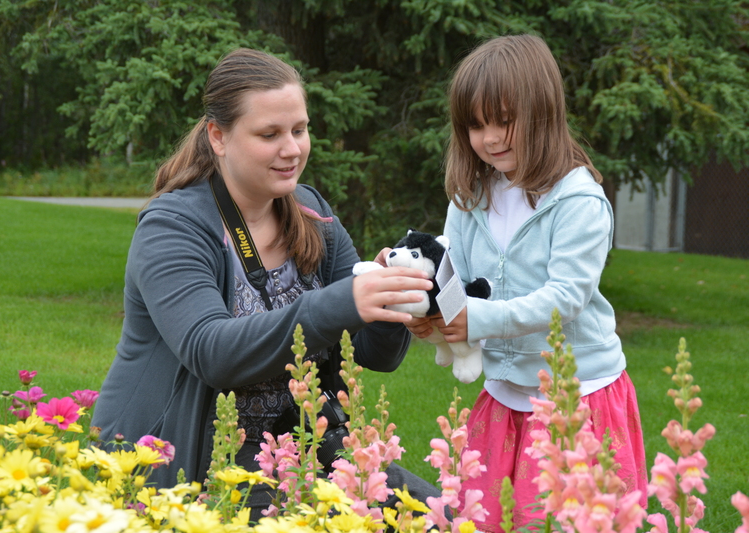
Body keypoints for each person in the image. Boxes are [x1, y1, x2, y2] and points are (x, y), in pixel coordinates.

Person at [91, 48, 440, 516]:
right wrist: (342, 300)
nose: (292, 149)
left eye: (300, 130)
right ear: (218, 136)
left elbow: (374, 355)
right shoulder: (172, 227)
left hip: (305, 453)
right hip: (195, 469)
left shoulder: (313, 214)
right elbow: (211, 351)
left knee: (445, 517)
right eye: (269, 134)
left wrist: (396, 294)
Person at [406, 35, 648, 531]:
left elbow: (566, 299)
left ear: (542, 112)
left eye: (503, 119)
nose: (491, 137)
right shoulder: (468, 198)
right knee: (487, 519)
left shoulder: (578, 201)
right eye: (476, 124)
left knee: (562, 521)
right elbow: (452, 276)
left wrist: (479, 319)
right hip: (504, 399)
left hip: (575, 399)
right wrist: (430, 317)